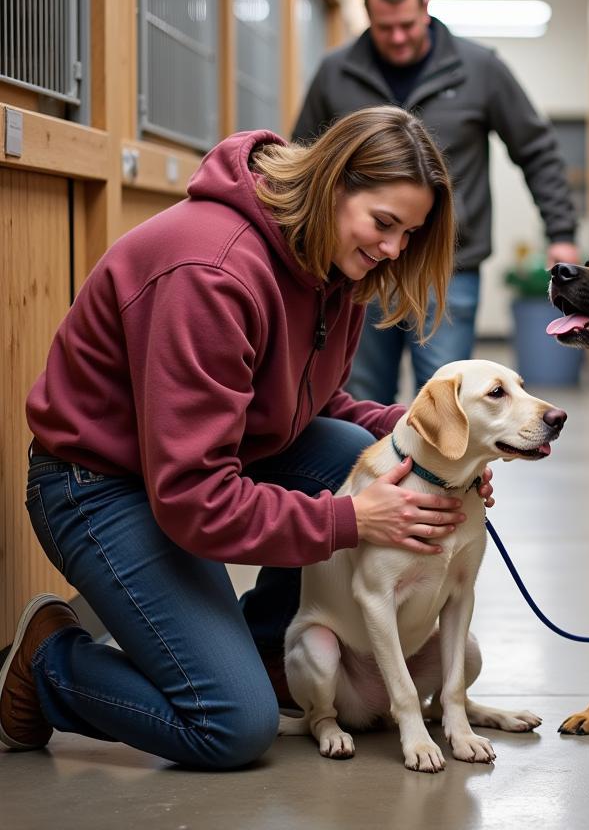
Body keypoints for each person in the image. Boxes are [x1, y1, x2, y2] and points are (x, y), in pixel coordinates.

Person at [1, 106, 495, 770]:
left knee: (359, 456)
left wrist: (441, 447)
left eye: (407, 234)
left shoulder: (328, 262)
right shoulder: (212, 272)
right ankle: (47, 668)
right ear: (332, 183)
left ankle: (266, 649)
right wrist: (348, 519)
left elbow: (313, 402)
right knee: (231, 725)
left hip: (204, 461)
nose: (393, 251)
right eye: (384, 224)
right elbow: (195, 496)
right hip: (100, 484)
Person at [292, 0, 580, 404]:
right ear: (367, 15)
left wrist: (560, 232)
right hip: (361, 262)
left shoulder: (479, 68)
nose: (399, 38)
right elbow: (304, 157)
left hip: (448, 265)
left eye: (407, 24)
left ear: (426, 7)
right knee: (363, 394)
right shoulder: (337, 72)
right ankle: (380, 476)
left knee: (446, 397)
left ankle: (441, 477)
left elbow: (536, 149)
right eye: (385, 28)